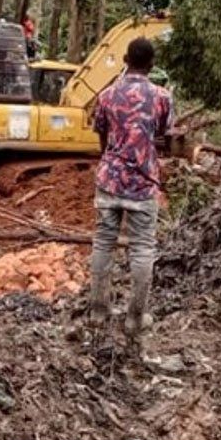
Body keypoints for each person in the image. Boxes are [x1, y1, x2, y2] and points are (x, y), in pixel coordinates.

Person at [88, 37, 174, 343]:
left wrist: (109, 159)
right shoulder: (162, 97)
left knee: (103, 243)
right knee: (142, 249)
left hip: (110, 179)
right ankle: (135, 319)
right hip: (142, 183)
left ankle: (98, 313)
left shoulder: (107, 94)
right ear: (151, 65)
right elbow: (162, 134)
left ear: (124, 59)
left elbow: (100, 132)